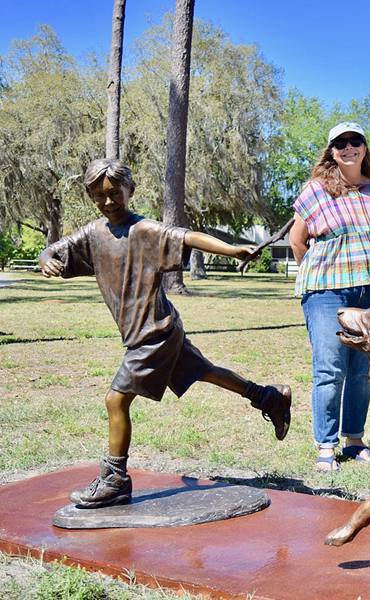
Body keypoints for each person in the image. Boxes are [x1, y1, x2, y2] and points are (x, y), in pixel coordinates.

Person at [39, 158, 292, 508]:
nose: (108, 201)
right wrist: (45, 257)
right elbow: (55, 249)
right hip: (152, 329)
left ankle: (115, 479)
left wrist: (232, 249)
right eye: (99, 196)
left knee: (116, 400)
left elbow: (188, 236)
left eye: (114, 193)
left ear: (131, 191)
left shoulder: (145, 230)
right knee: (203, 371)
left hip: (154, 332)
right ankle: (268, 396)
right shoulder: (93, 234)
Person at [289, 122, 370, 472]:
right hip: (328, 292)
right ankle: (325, 443)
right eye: (340, 143)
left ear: (364, 148)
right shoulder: (316, 190)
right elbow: (297, 241)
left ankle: (353, 439)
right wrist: (320, 273)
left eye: (355, 141)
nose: (348, 147)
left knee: (363, 369)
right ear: (331, 151)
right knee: (330, 368)